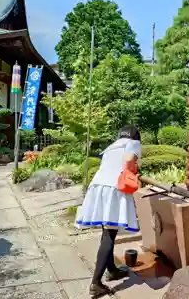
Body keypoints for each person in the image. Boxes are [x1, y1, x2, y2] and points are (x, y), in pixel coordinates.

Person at [75, 125, 142, 296]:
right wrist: (134, 171)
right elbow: (128, 160)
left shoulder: (111, 147)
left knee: (106, 230)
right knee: (110, 234)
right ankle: (96, 282)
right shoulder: (132, 144)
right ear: (135, 137)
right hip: (114, 189)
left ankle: (112, 270)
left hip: (98, 187)